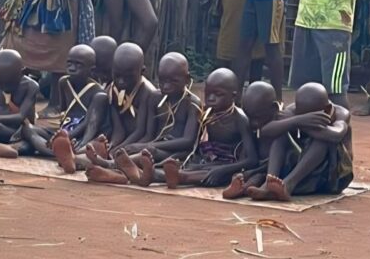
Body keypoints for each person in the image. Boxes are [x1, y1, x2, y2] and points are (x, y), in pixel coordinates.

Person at [88, 68, 256, 189]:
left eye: (218, 95)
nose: (211, 99)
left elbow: (252, 160)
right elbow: (197, 146)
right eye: (208, 93)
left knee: (194, 173)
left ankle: (132, 173)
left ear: (234, 96)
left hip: (226, 165)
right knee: (177, 165)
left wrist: (222, 169)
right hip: (203, 160)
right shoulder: (208, 112)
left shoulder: (239, 119)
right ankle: (119, 171)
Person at [245, 82, 353, 200]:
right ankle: (269, 183)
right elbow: (267, 130)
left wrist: (303, 124)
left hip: (334, 174)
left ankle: (288, 185)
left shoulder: (341, 113)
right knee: (281, 135)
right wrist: (299, 120)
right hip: (305, 168)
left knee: (322, 140)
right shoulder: (294, 110)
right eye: (300, 112)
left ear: (327, 109)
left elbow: (335, 135)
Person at [78, 41, 159, 151]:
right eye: (117, 75)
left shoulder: (147, 93)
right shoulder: (113, 88)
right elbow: (116, 127)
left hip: (136, 139)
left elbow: (140, 131)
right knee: (100, 99)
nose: (121, 81)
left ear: (142, 71)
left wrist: (120, 149)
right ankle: (82, 145)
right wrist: (112, 144)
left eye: (128, 77)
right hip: (118, 135)